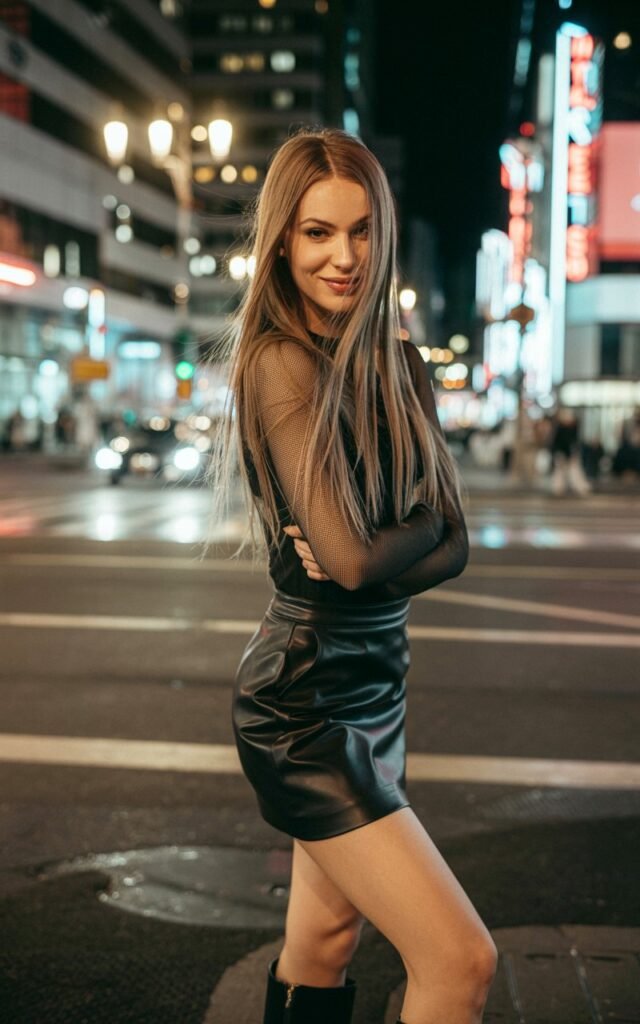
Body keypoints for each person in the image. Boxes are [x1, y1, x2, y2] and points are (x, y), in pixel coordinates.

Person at [208, 129, 497, 1024]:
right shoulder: (280, 361)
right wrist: (411, 533)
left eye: (362, 231)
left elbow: (455, 542)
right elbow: (356, 559)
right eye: (317, 233)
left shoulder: (403, 366)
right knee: (459, 961)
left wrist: (395, 541)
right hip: (305, 700)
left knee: (323, 944)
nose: (343, 256)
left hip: (379, 684)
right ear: (283, 243)